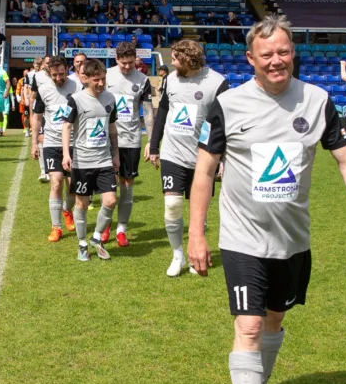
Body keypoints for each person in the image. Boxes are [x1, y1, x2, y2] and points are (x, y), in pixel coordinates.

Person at [188, 15, 346, 384]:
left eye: (283, 51)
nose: (276, 61)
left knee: (273, 323)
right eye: (266, 54)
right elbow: (203, 172)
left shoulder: (316, 100)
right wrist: (197, 234)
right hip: (241, 239)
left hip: (293, 241)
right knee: (250, 326)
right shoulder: (227, 104)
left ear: (293, 52)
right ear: (250, 59)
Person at [146, 39, 228, 276]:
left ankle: (196, 252)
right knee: (172, 205)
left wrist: (223, 159)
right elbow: (162, 111)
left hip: (204, 158)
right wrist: (153, 146)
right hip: (172, 153)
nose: (170, 62)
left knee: (197, 209)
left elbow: (225, 124)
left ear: (188, 59)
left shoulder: (217, 83)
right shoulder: (170, 79)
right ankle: (178, 255)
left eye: (174, 58)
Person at [62, 59, 119, 261]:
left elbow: (112, 129)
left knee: (111, 200)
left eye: (103, 79)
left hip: (104, 159)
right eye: (97, 80)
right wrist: (66, 154)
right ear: (85, 79)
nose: (101, 83)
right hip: (82, 161)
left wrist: (116, 154)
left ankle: (96, 238)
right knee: (82, 205)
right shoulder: (75, 100)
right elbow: (67, 127)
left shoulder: (110, 98)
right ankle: (82, 244)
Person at [104, 42, 153, 247]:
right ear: (116, 59)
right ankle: (105, 225)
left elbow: (148, 112)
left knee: (127, 184)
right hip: (106, 138)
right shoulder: (106, 76)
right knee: (108, 185)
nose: (127, 67)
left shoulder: (143, 79)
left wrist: (151, 140)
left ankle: (121, 229)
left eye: (131, 63)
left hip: (131, 139)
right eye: (123, 63)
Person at [31, 56, 81, 242]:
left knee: (73, 186)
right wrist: (35, 143)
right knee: (56, 182)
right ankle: (56, 227)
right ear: (49, 73)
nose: (59, 78)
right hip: (52, 142)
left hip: (75, 143)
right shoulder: (43, 90)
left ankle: (67, 210)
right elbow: (36, 117)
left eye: (61, 74)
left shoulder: (78, 87)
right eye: (54, 75)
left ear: (67, 69)